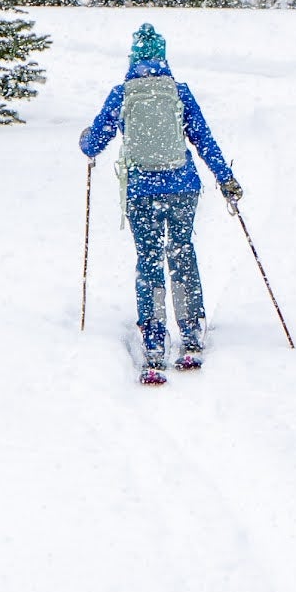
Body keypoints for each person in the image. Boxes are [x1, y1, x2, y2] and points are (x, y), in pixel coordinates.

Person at [77, 25, 243, 379]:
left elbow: (94, 145)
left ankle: (153, 337)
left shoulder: (122, 95)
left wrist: (86, 139)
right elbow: (204, 140)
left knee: (149, 259)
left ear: (133, 58)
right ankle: (190, 331)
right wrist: (225, 178)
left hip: (142, 191)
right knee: (181, 251)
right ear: (163, 57)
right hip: (182, 186)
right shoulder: (179, 92)